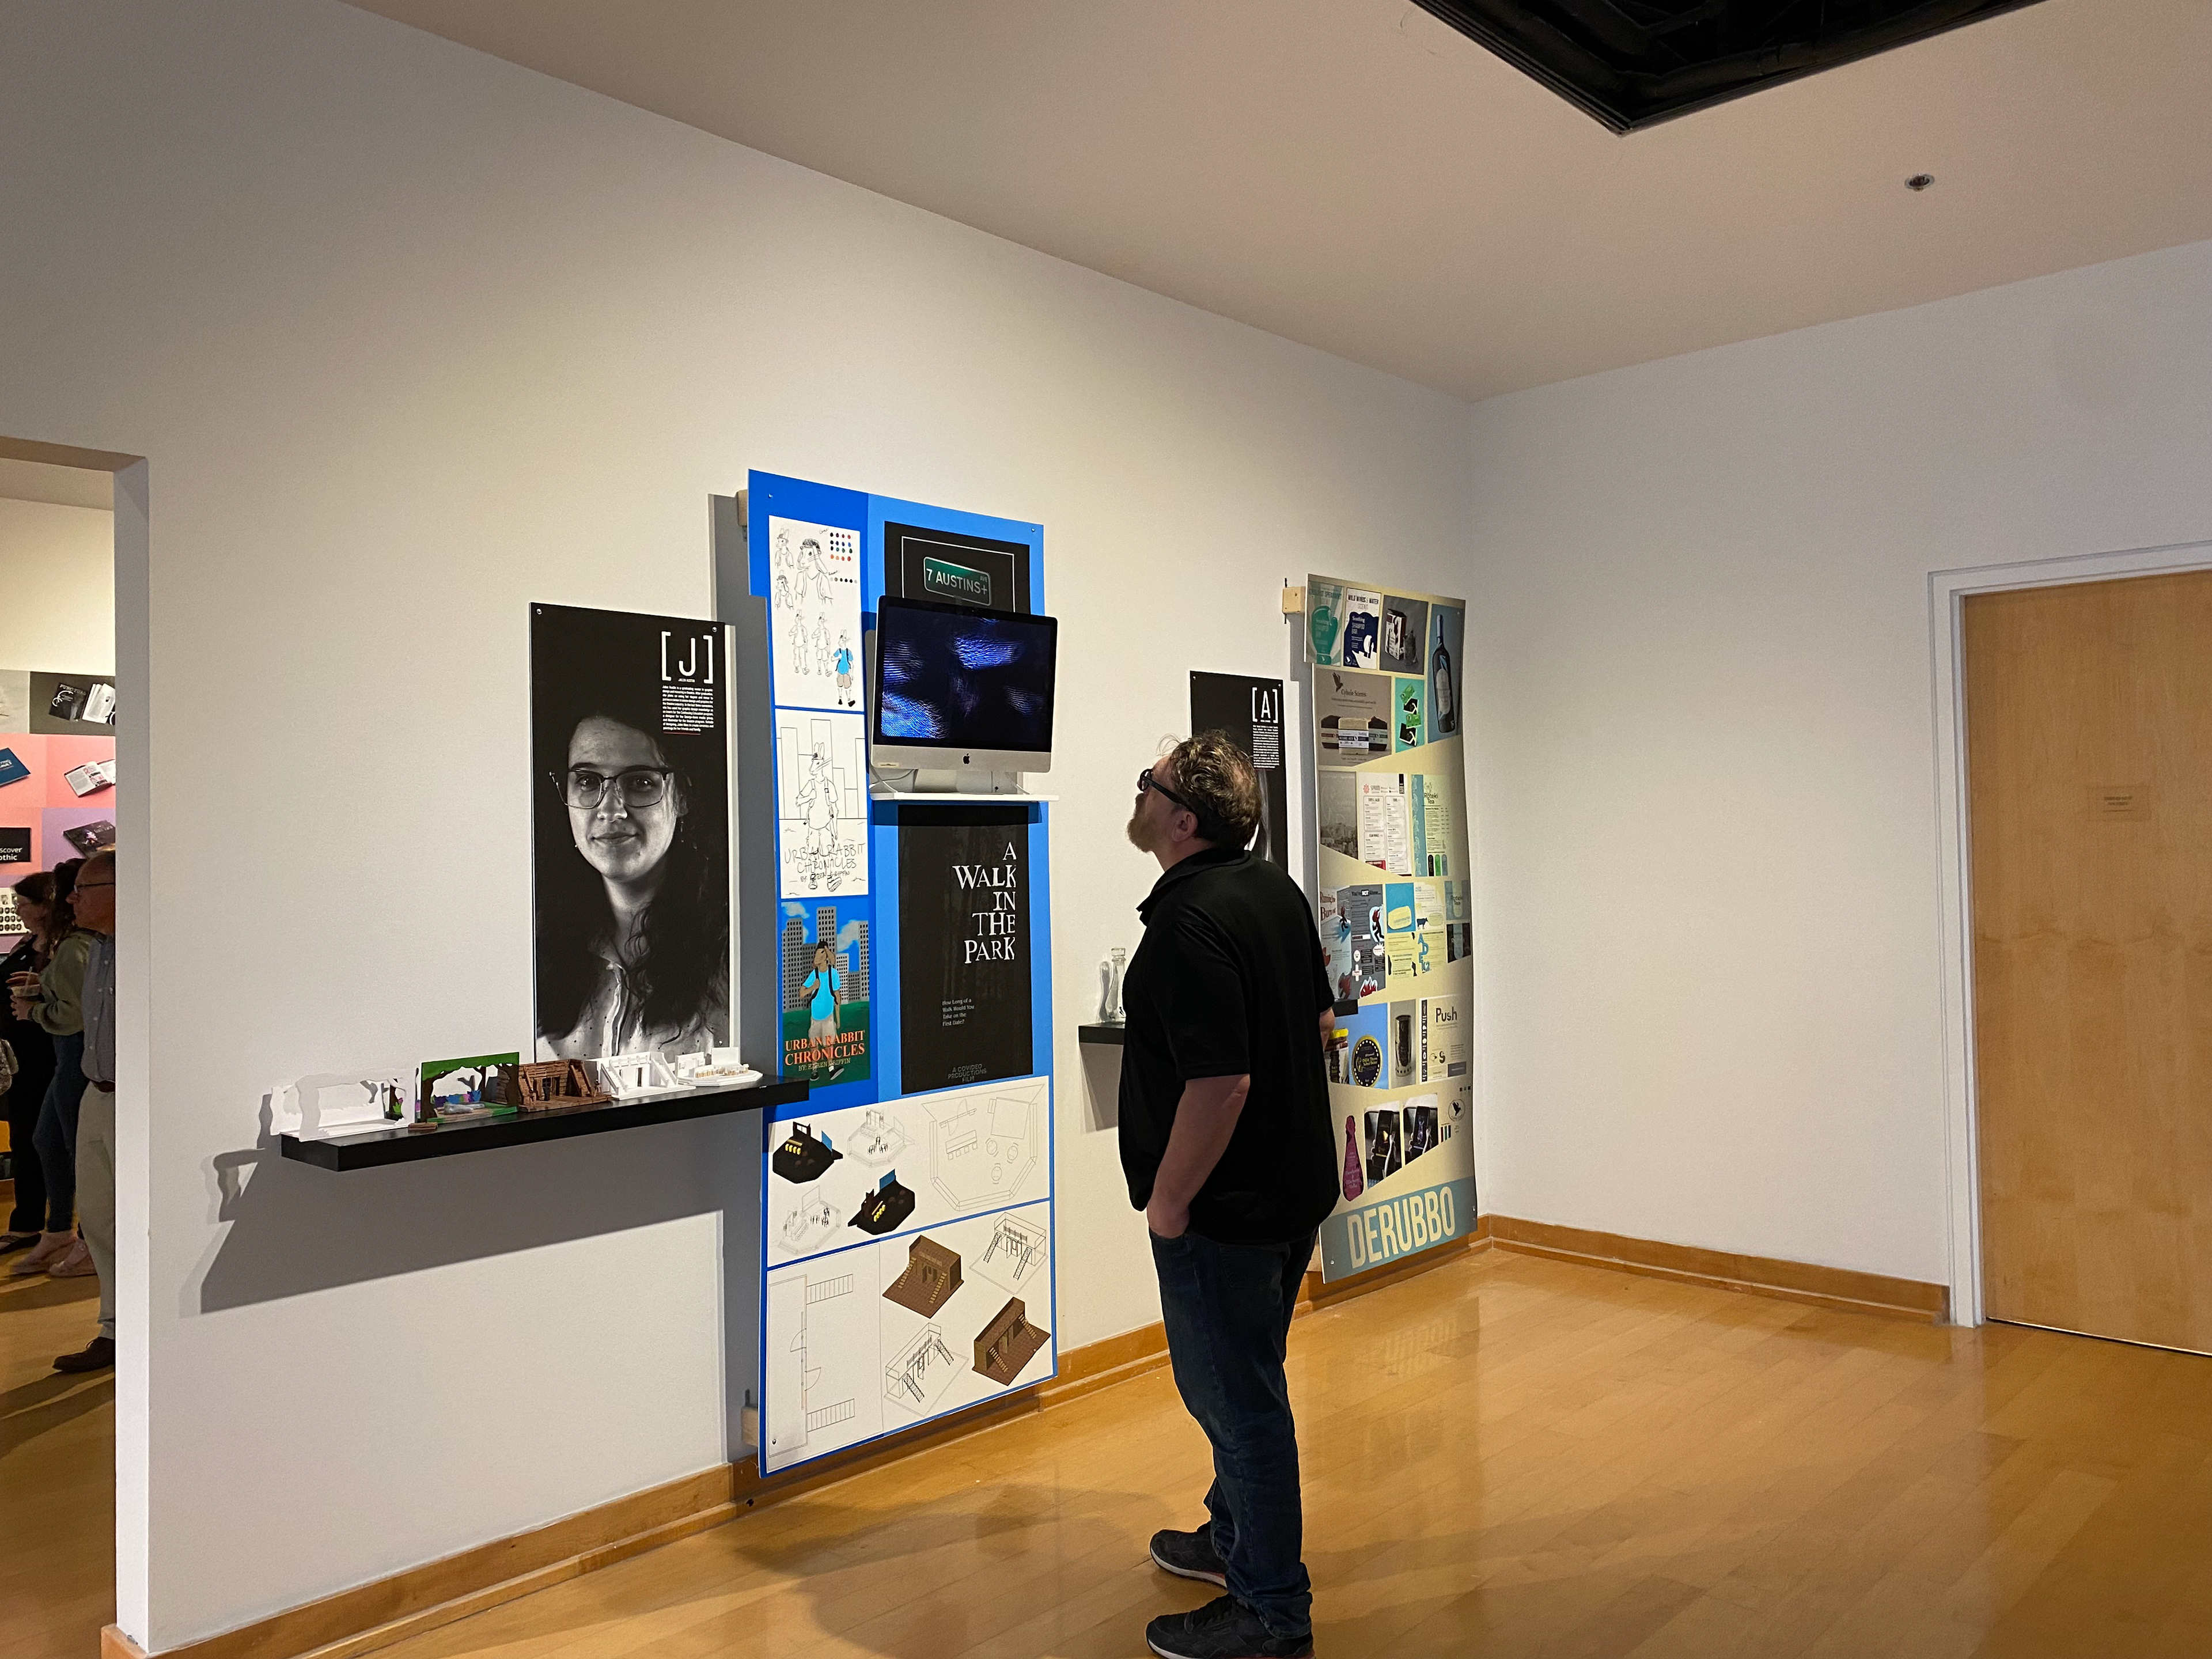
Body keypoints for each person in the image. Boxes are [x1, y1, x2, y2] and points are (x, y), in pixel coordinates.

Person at [1118, 733, 1339, 1659]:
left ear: (1182, 820)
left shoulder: (1189, 924)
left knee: (1238, 1406)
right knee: (1245, 1383)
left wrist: (1170, 1205)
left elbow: (1221, 1085)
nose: (1138, 791)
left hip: (1228, 1215)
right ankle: (1233, 1540)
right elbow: (1320, 1021)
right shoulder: (1271, 890)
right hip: (1289, 1195)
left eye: (1150, 783)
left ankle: (1272, 1611)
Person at [535, 699, 729, 1062]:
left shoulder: (732, 954)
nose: (610, 810)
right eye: (588, 781)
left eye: (640, 782)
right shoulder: (535, 948)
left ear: (682, 795)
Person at [12, 860, 94, 1281]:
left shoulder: (76, 945)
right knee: (47, 1140)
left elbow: (77, 1014)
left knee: (79, 1152)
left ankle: (88, 1239)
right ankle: (60, 1229)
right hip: (66, 1060)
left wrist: (35, 1011)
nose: (77, 899)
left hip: (74, 1059)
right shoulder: (70, 944)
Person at [50, 851, 114, 1373]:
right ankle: (115, 1328)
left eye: (83, 889)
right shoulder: (98, 950)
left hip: (136, 1098)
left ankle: (143, 1329)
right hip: (98, 1092)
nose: (72, 899)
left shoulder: (151, 949)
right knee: (96, 1216)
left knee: (136, 1218)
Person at [1, 875, 62, 1257]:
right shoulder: (27, 943)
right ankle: (27, 1222)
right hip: (18, 1057)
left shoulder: (64, 948)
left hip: (47, 1056)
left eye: (24, 904)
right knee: (24, 1139)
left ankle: (60, 1226)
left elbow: (71, 1000)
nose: (18, 911)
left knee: (47, 1142)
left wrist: (39, 988)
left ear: (45, 905)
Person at [802, 941, 840, 1052]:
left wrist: (838, 1019)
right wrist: (813, 987)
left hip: (829, 1016)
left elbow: (837, 996)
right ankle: (814, 1064)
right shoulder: (814, 974)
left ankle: (831, 1063)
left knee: (829, 1045)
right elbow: (802, 993)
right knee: (814, 1045)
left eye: (824, 953)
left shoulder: (833, 973)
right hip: (815, 1017)